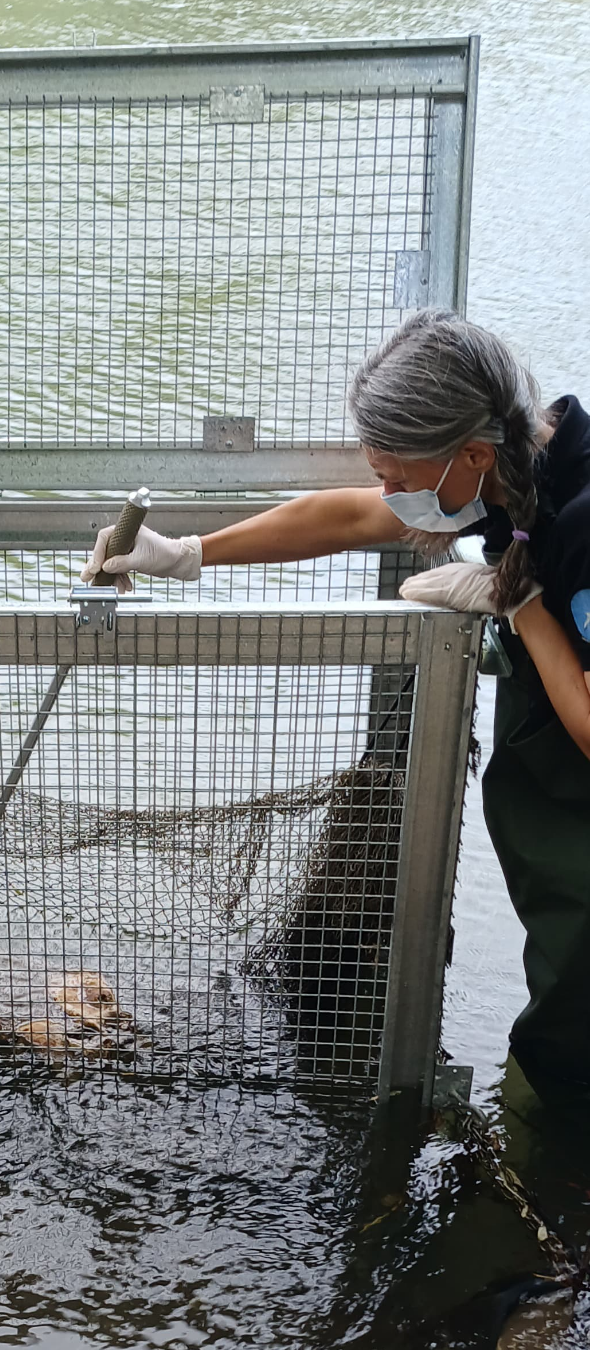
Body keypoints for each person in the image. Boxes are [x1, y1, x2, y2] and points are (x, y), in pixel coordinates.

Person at [83, 309, 590, 1103]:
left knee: (574, 1026)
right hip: (552, 789)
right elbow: (350, 514)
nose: (387, 495)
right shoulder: (508, 466)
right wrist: (186, 554)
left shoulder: (581, 521)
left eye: (397, 475)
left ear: (472, 455)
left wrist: (520, 605)